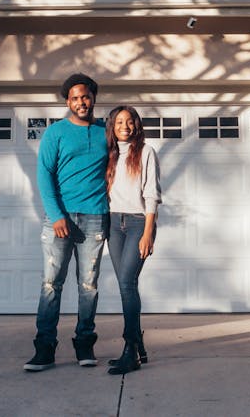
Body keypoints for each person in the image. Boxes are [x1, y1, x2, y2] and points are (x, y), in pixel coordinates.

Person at [24, 73, 110, 372]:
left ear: (93, 97)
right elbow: (44, 175)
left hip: (95, 217)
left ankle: (84, 343)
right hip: (59, 218)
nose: (80, 102)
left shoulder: (105, 132)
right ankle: (45, 347)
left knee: (89, 286)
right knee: (51, 285)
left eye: (85, 96)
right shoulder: (56, 132)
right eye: (74, 98)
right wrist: (57, 215)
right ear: (67, 102)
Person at [103, 105, 161, 375]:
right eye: (118, 122)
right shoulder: (109, 155)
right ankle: (139, 345)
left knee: (127, 283)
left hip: (138, 223)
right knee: (127, 284)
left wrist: (148, 232)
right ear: (112, 127)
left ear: (136, 125)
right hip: (114, 223)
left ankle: (130, 350)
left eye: (129, 121)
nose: (124, 126)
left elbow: (151, 194)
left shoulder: (147, 152)